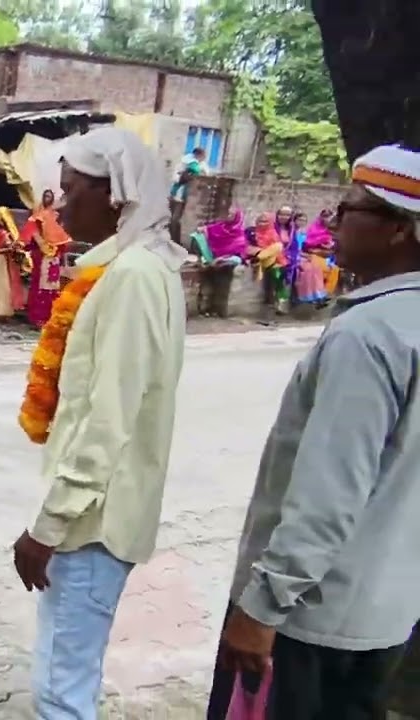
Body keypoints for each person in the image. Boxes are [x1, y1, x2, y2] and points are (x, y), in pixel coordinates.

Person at [206, 144, 420, 720]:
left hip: (309, 621)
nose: (334, 221)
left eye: (349, 209)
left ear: (399, 229)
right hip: (387, 614)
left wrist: (262, 607)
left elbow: (329, 493)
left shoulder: (368, 335)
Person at [11, 127, 188, 720]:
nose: (60, 206)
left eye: (71, 190)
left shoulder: (135, 275)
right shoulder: (136, 266)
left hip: (93, 523)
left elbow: (107, 419)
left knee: (61, 690)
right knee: (69, 678)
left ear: (116, 194)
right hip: (96, 516)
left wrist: (48, 525)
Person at [21, 189, 72, 327]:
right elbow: (30, 235)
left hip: (54, 256)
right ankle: (37, 317)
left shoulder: (55, 216)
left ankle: (50, 316)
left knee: (52, 285)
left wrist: (58, 251)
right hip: (41, 255)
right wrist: (41, 245)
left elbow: (62, 237)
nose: (47, 198)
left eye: (50, 196)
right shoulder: (36, 217)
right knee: (40, 284)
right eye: (45, 196)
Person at [249, 212, 291, 315]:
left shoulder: (273, 234)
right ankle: (269, 307)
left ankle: (281, 305)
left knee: (277, 276)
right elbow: (249, 248)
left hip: (275, 262)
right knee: (269, 283)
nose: (262, 224)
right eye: (260, 221)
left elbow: (277, 251)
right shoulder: (252, 233)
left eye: (265, 221)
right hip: (261, 262)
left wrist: (261, 254)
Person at [169, 146, 207, 244]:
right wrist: (183, 178)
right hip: (178, 195)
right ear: (197, 155)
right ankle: (173, 239)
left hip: (189, 197)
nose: (203, 159)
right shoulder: (184, 163)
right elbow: (175, 178)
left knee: (178, 219)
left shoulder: (201, 165)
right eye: (202, 156)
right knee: (174, 219)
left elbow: (205, 175)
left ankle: (176, 240)